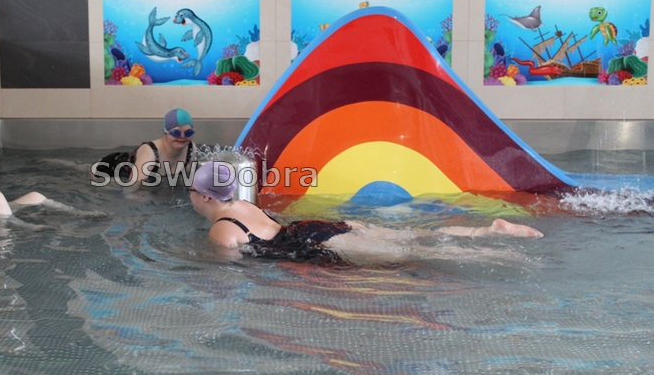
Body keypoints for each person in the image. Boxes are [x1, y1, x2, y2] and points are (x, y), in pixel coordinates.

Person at [189, 161, 544, 264]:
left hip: (313, 244)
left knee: (414, 252)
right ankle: (485, 232)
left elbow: (231, 269)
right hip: (317, 227)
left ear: (205, 196)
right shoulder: (244, 204)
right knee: (413, 236)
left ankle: (500, 255)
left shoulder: (222, 230)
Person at [93, 108, 198, 188]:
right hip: (105, 171)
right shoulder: (150, 153)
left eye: (188, 133)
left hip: (133, 166)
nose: (182, 137)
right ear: (165, 132)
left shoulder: (190, 148)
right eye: (176, 133)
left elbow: (187, 180)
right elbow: (131, 189)